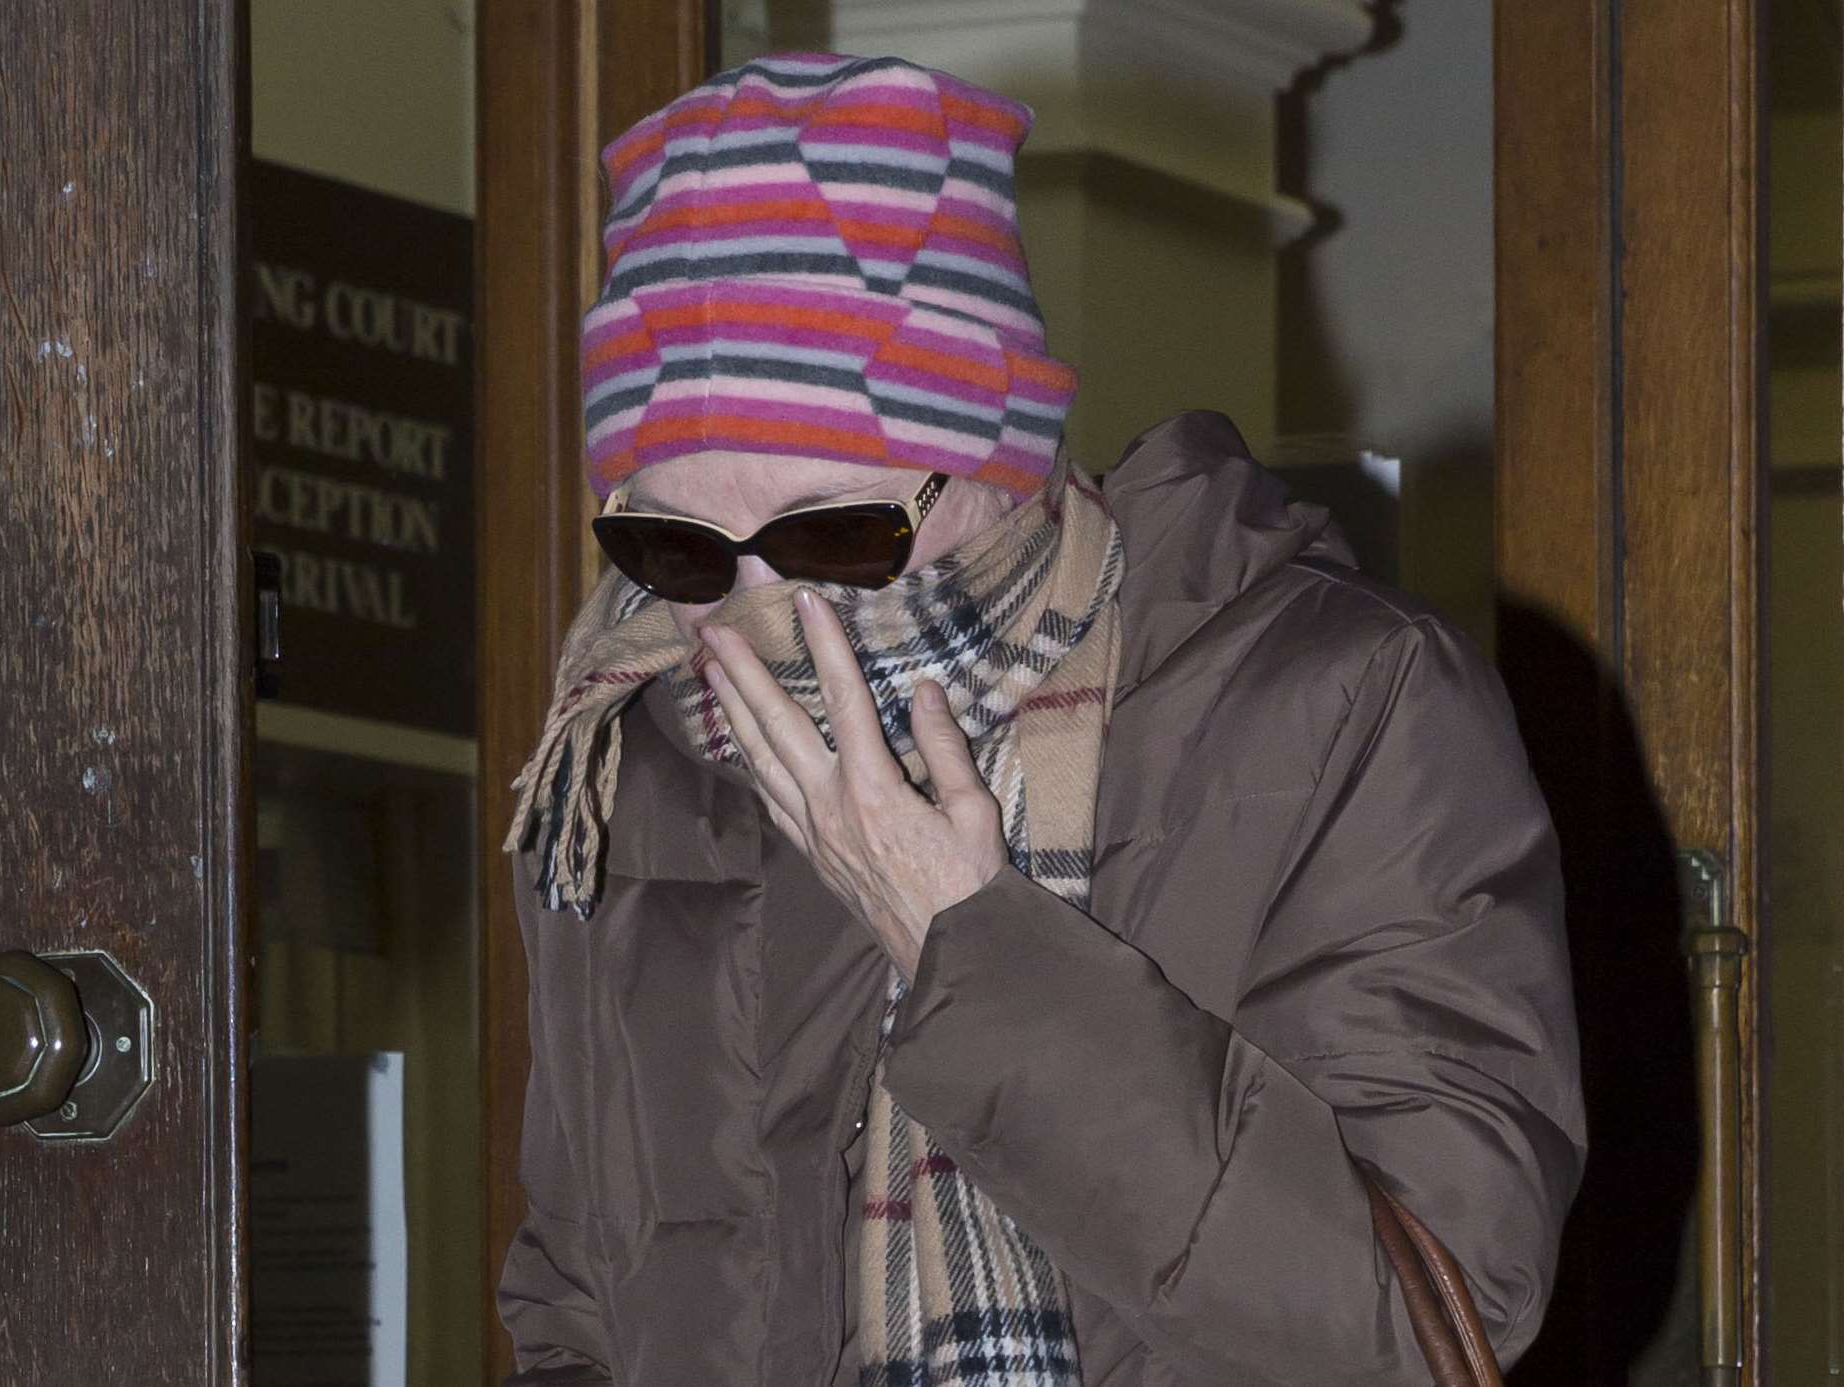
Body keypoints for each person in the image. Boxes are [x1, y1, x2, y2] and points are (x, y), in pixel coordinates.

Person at [497, 51, 1584, 1386]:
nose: (761, 614)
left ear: (1006, 460)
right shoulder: (630, 755)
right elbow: (573, 1311)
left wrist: (973, 952)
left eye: (834, 531)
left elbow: (1422, 1335)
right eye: (677, 549)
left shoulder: (1344, 705)